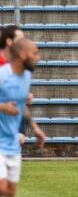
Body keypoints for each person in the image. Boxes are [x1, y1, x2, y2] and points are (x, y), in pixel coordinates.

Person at [0, 38, 45, 197]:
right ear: (21, 54)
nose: (38, 58)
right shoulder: (2, 75)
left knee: (9, 192)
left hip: (12, 142)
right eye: (34, 53)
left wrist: (35, 127)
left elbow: (21, 107)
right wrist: (3, 107)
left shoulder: (26, 76)